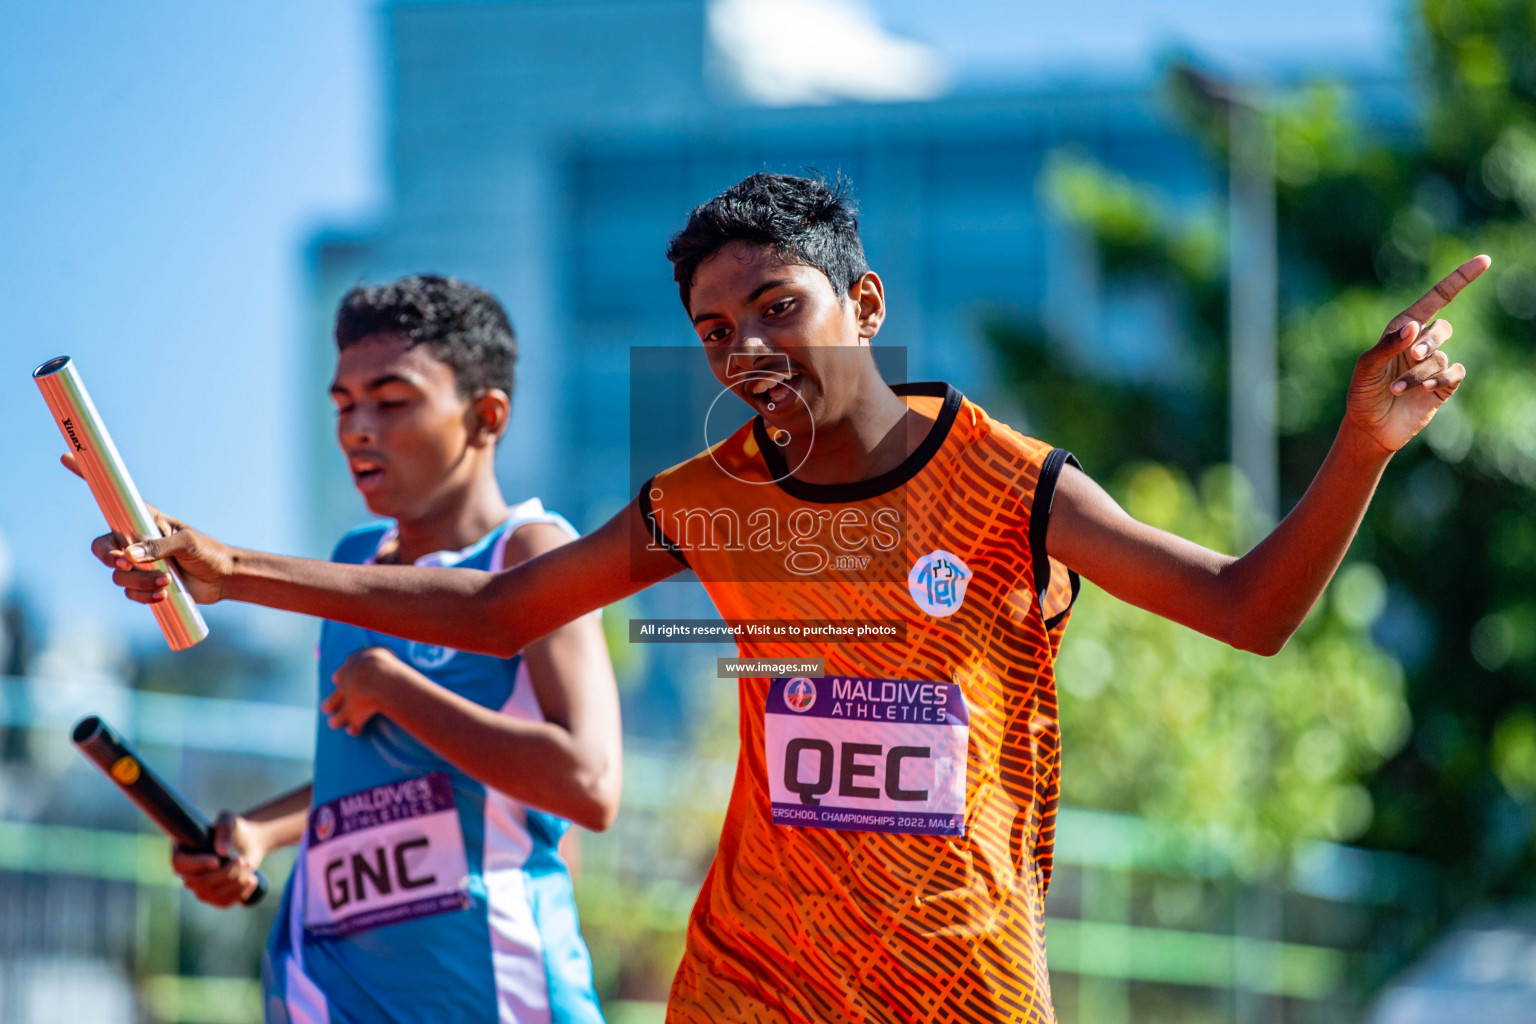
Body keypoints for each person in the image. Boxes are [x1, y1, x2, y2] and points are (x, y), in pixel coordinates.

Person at [90, 175, 1488, 1024]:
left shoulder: (1005, 480)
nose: (747, 348)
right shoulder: (716, 494)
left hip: (958, 979)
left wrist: (1360, 445)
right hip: (754, 977)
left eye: (778, 307)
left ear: (864, 302)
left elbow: (1249, 610)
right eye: (715, 330)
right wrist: (230, 570)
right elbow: (496, 617)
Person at [103, 276, 621, 1024]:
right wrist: (258, 833)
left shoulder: (529, 552)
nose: (357, 429)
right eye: (343, 404)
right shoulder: (353, 557)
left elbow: (591, 783)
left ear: (486, 415)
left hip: (491, 992)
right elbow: (382, 777)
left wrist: (398, 688)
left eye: (392, 399)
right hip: (324, 988)